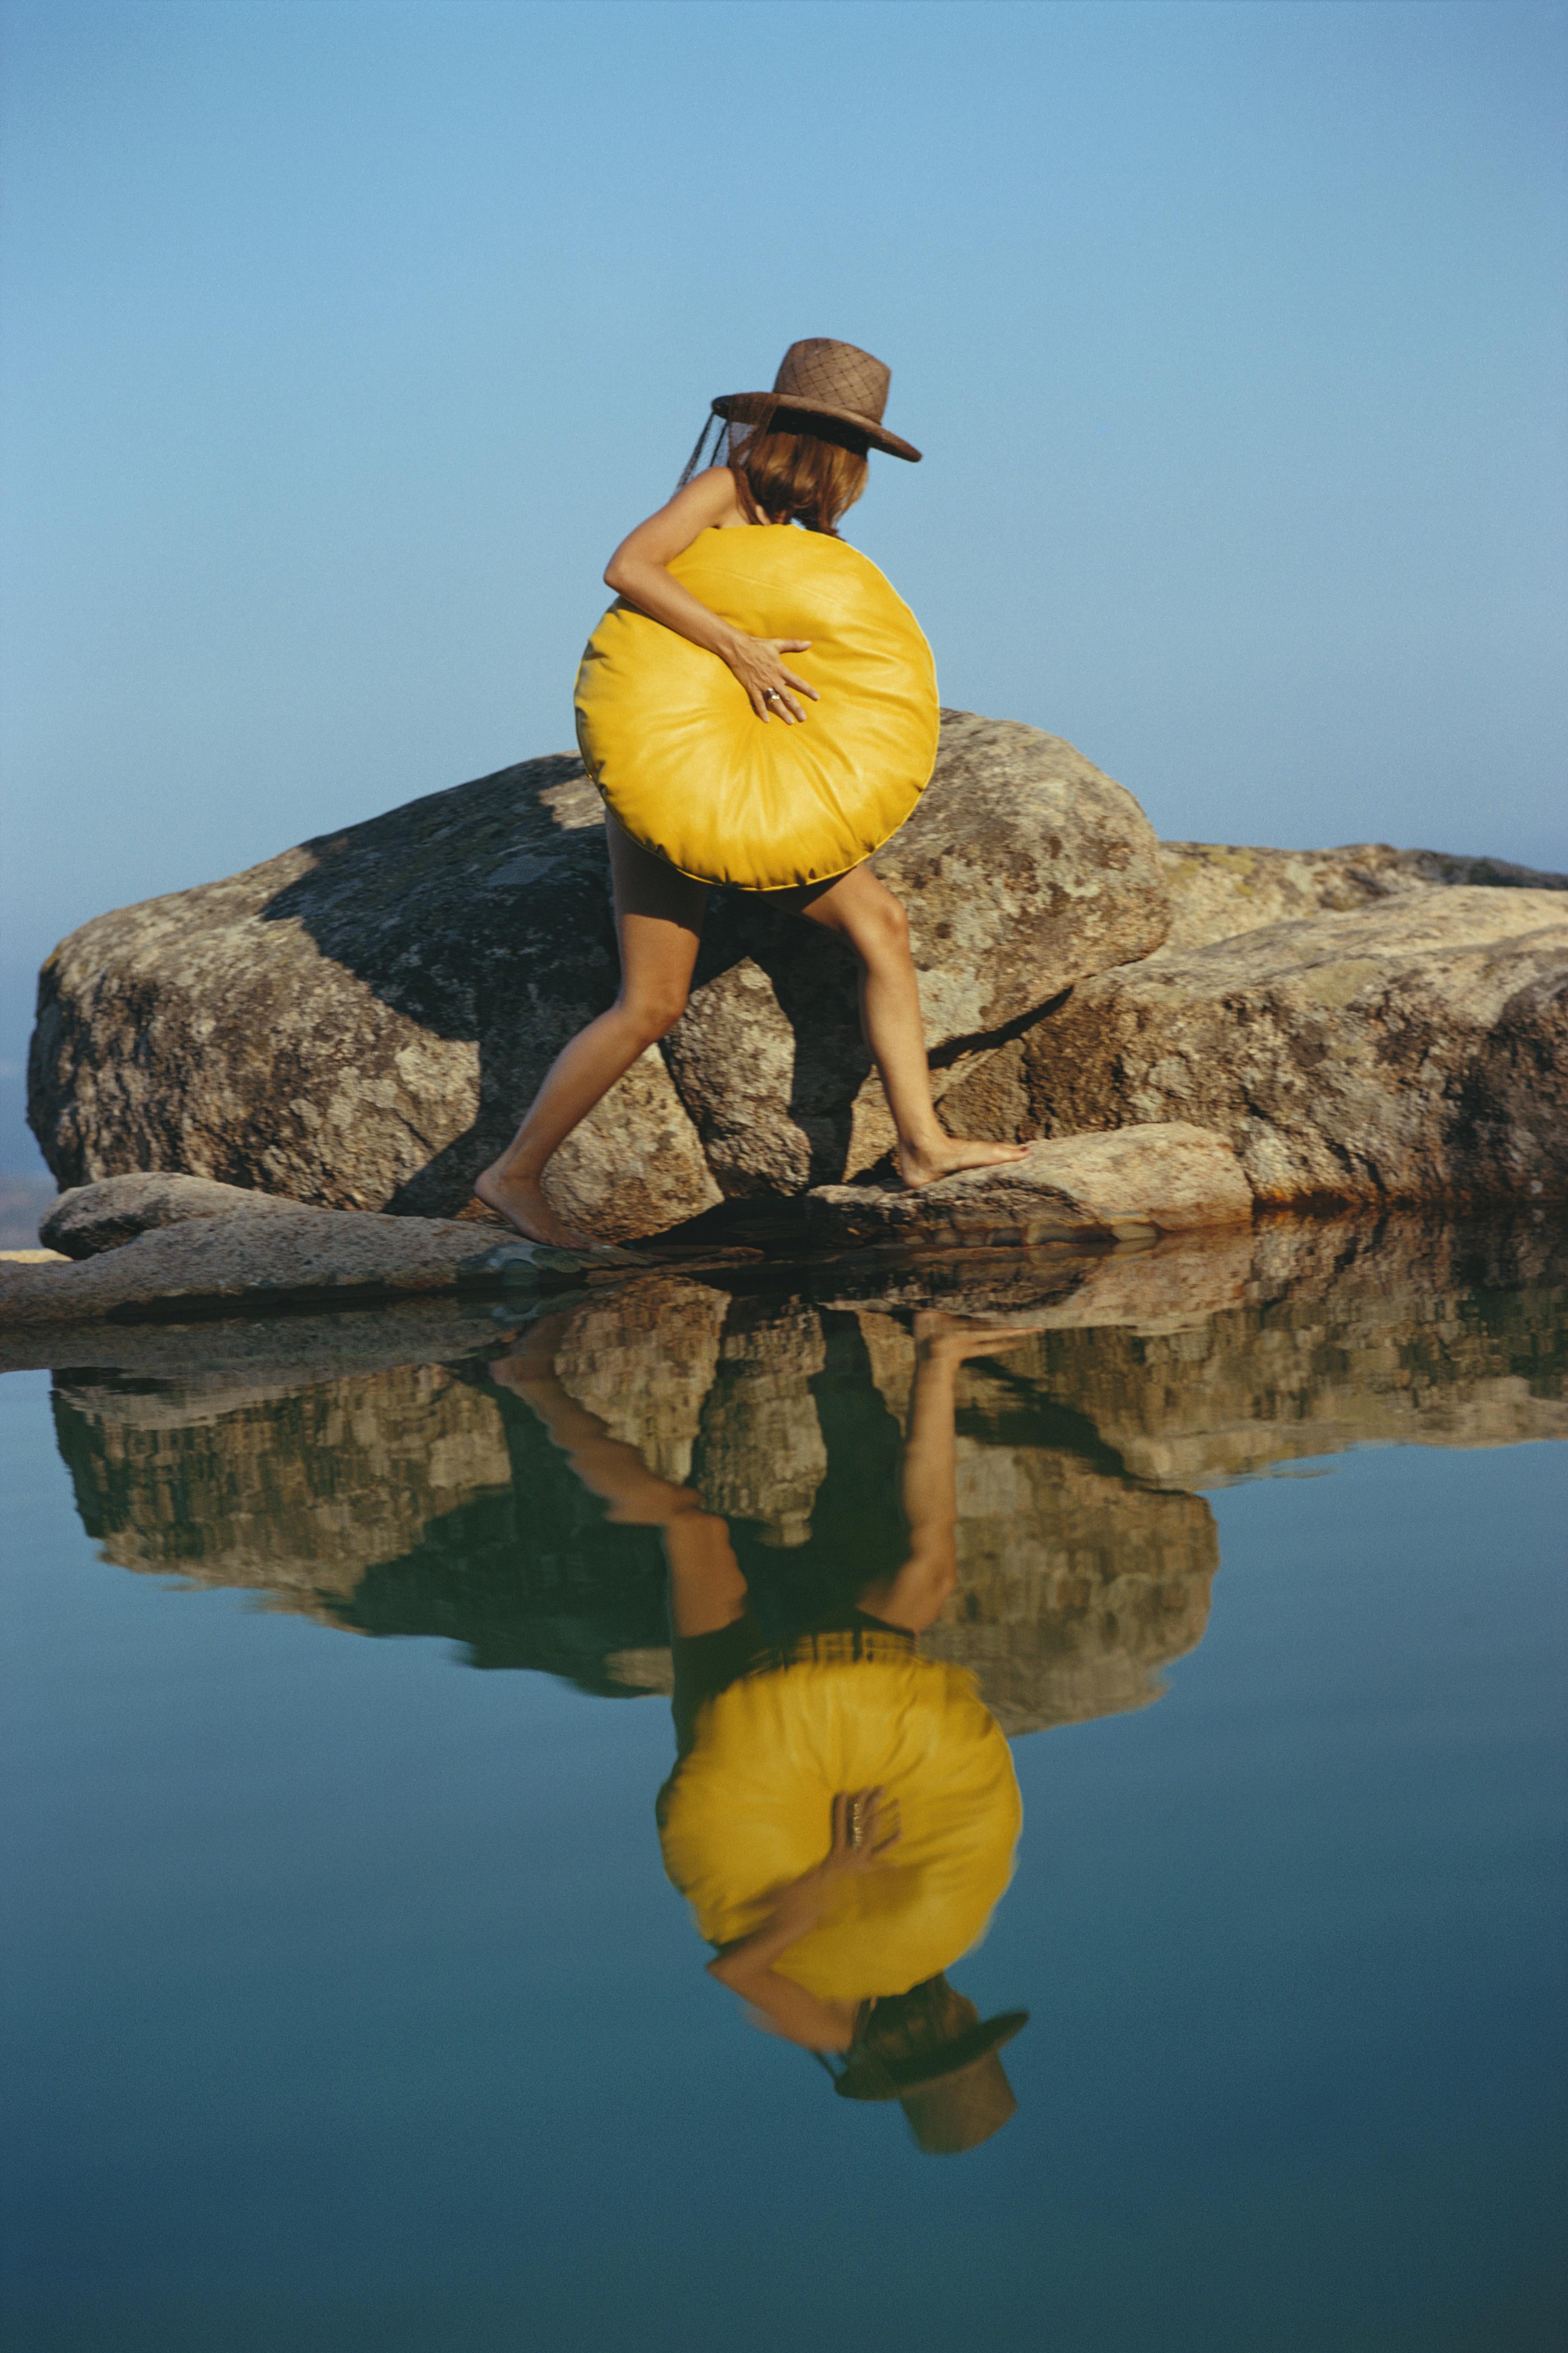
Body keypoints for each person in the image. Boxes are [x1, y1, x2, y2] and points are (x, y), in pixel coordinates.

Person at [475, 338, 1026, 1249]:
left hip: (748, 784)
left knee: (861, 931)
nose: (855, 478)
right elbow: (628, 566)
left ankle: (922, 1145)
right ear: (830, 450)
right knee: (658, 1001)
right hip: (677, 778)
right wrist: (739, 645)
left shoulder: (801, 542)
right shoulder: (724, 496)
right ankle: (514, 1173)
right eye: (857, 458)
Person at [490, 1303, 1032, 2155]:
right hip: (837, 1737)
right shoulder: (931, 1939)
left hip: (736, 1745)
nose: (965, 2006)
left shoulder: (828, 2027)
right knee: (929, 1567)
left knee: (690, 1525)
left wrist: (826, 1878)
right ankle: (943, 1355)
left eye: (964, 2027)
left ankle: (534, 1385)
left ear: (937, 2040)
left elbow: (733, 1969)